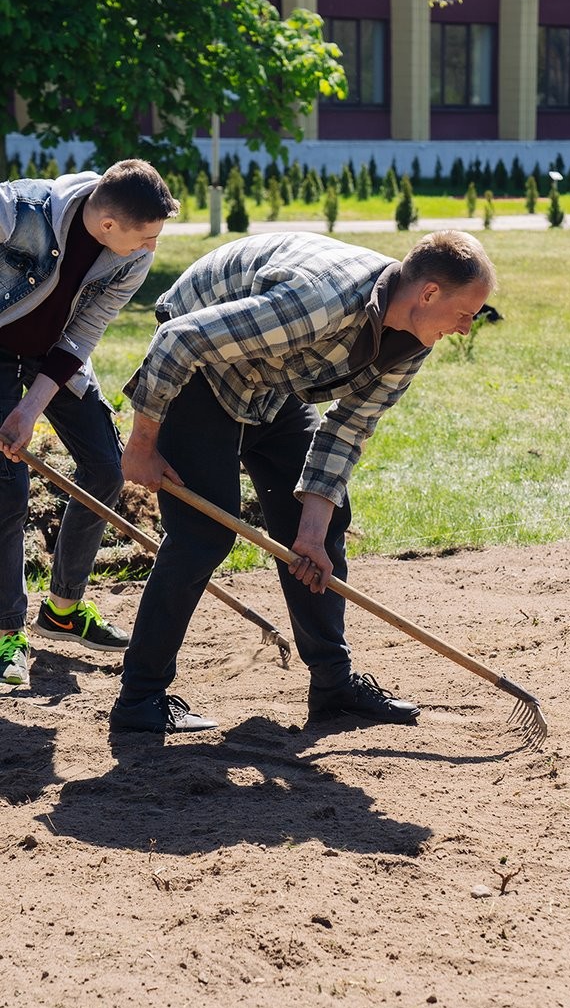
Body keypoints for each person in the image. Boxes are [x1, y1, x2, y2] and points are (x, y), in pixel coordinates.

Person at [111, 229, 497, 735]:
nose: (466, 328)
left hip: (272, 376)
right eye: (466, 313)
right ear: (428, 293)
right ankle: (140, 698)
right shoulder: (319, 303)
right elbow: (178, 340)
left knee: (322, 523)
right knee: (203, 534)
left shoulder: (413, 338)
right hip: (202, 365)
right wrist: (141, 446)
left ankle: (333, 688)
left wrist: (310, 534)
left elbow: (348, 429)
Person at [0, 158, 179, 686]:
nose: (152, 247)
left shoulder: (133, 256)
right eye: (145, 235)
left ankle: (63, 609)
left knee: (104, 468)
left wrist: (30, 409)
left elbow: (82, 334)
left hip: (54, 354)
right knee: (8, 487)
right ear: (107, 224)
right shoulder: (17, 211)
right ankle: (6, 631)